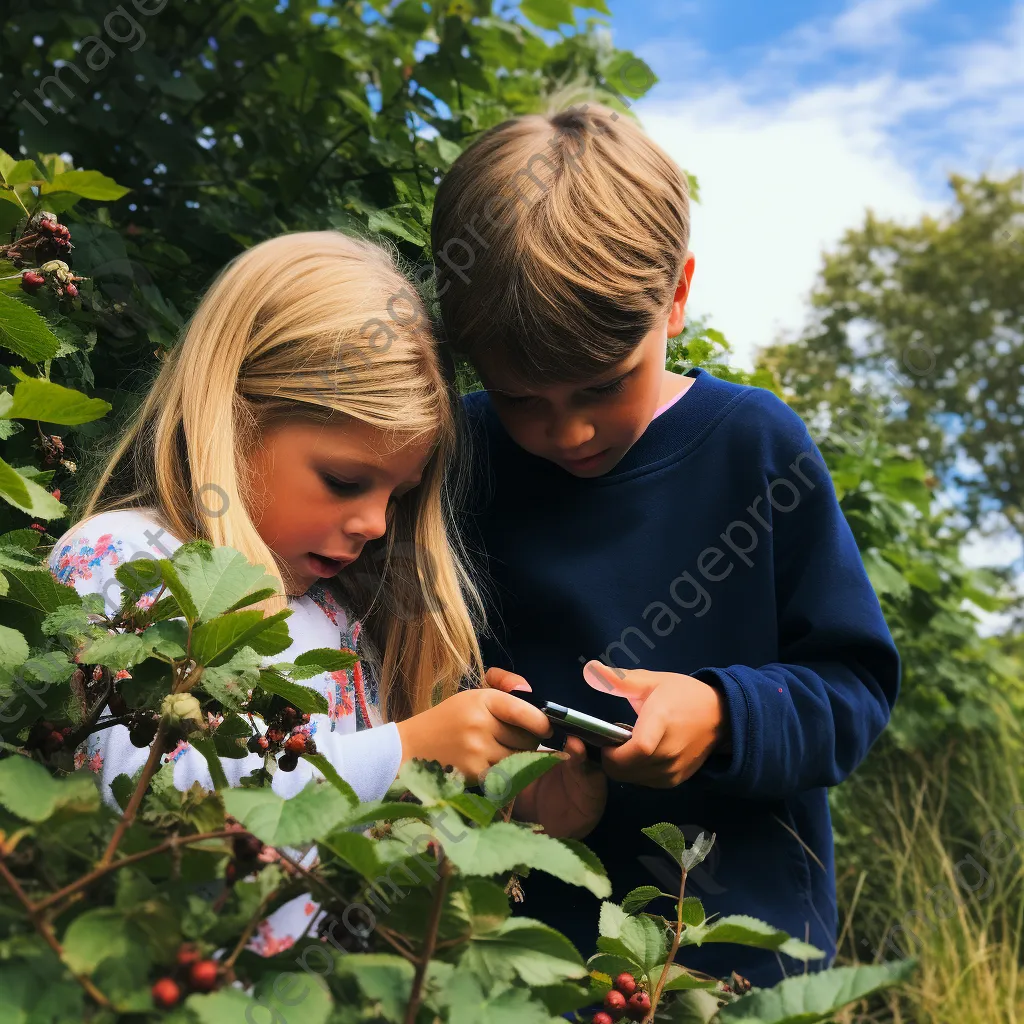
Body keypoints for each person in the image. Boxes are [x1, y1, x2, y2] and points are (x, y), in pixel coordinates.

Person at [431, 103, 901, 986]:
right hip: (512, 954)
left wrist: (722, 718)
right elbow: (408, 662)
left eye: (604, 386)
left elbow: (855, 690)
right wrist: (479, 735)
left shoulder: (756, 447)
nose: (567, 432)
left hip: (734, 961)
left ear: (677, 295)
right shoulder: (462, 456)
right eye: (524, 398)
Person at [48, 230, 551, 955]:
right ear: (235, 414)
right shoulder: (125, 560)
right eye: (346, 480)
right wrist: (401, 752)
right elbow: (165, 817)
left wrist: (470, 771)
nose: (377, 523)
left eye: (399, 495)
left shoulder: (338, 615)